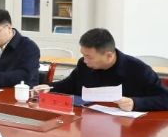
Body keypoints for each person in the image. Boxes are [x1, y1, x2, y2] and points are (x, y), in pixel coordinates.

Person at [39, 28, 168, 112]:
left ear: (109, 56)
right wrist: (49, 87)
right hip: (89, 122)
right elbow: (69, 85)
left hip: (126, 130)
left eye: (89, 57)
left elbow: (164, 99)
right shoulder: (84, 65)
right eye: (83, 55)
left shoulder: (138, 70)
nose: (85, 60)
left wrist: (135, 103)